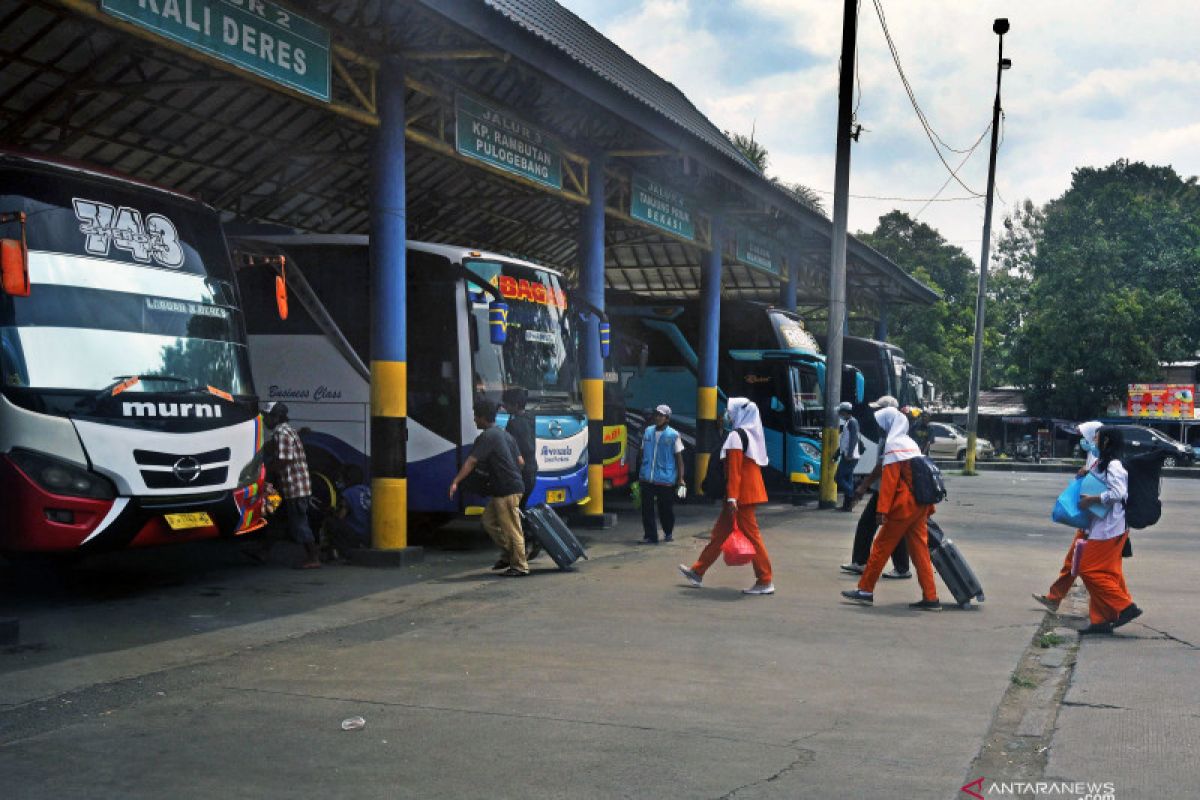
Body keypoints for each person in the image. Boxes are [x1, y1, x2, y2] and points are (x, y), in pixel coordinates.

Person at [841, 405, 940, 609]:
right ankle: (931, 598)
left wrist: (882, 511)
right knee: (920, 552)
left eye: (882, 425)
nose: (881, 430)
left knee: (880, 547)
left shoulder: (893, 445)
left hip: (904, 507)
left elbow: (890, 482)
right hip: (920, 505)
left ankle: (865, 590)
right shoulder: (909, 443)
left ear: (889, 424)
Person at [677, 398, 775, 595]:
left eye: (730, 412)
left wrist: (731, 498)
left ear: (739, 413)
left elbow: (734, 471)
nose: (727, 416)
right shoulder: (750, 433)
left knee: (752, 537)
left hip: (740, 496)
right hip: (746, 493)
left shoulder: (736, 437)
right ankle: (698, 570)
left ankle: (765, 580)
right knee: (720, 534)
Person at [1073, 427, 1143, 635]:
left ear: (1106, 441)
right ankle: (1101, 619)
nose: (1093, 440)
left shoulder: (1114, 465)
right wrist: (1085, 473)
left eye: (1097, 437)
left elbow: (1118, 493)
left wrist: (1093, 500)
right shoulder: (1102, 463)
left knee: (1088, 570)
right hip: (1102, 525)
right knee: (1108, 572)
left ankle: (1124, 606)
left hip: (1110, 527)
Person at [449, 399, 530, 577]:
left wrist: (456, 481)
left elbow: (471, 462)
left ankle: (520, 565)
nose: (474, 420)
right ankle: (509, 554)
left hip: (507, 490)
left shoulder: (487, 437)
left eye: (475, 417)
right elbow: (521, 462)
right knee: (488, 521)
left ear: (483, 417)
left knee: (511, 528)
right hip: (509, 488)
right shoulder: (506, 435)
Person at [1032, 420, 1101, 612]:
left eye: (1088, 437)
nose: (1086, 441)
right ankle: (1055, 597)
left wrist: (1088, 474)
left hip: (1097, 523)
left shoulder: (1106, 459)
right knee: (1074, 562)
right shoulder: (1093, 455)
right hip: (1090, 520)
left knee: (1087, 566)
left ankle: (1116, 606)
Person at [841, 396, 911, 580]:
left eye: (879, 411)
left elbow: (882, 466)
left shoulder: (891, 439)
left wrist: (863, 486)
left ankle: (867, 564)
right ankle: (895, 567)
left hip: (889, 490)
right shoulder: (888, 435)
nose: (875, 415)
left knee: (876, 526)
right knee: (888, 528)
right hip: (886, 489)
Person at [246, 403, 320, 569]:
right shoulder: (287, 431)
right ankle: (264, 552)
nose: (265, 420)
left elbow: (284, 460)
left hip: (294, 488)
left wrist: (264, 474)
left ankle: (313, 557)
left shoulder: (282, 433)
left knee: (299, 523)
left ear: (277, 417)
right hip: (288, 487)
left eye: (267, 417)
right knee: (275, 518)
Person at [638, 404, 686, 543]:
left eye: (661, 415)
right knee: (646, 509)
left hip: (665, 478)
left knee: (665, 509)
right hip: (647, 477)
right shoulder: (648, 431)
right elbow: (641, 452)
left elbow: (679, 459)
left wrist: (681, 478)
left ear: (667, 418)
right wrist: (640, 472)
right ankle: (650, 536)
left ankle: (668, 531)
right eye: (656, 415)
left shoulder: (673, 435)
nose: (658, 417)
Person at [502, 387, 538, 509]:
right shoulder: (530, 418)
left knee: (514, 509)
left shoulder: (514, 424)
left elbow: (515, 450)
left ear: (516, 405)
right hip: (532, 471)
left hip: (522, 474)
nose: (504, 407)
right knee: (519, 508)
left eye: (506, 404)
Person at [834, 402, 862, 511]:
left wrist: (849, 454)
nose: (840, 414)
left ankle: (852, 494)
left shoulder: (852, 422)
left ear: (845, 412)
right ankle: (847, 506)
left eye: (841, 412)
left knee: (838, 478)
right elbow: (844, 442)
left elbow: (854, 438)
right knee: (847, 479)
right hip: (847, 455)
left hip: (850, 457)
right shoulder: (848, 422)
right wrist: (837, 454)